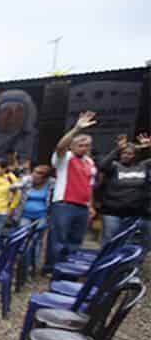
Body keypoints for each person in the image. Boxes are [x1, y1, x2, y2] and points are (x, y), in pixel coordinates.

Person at [45, 111, 98, 271]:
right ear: (73, 146)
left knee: (75, 241)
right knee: (58, 239)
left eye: (87, 145)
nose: (84, 148)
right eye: (80, 145)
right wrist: (76, 129)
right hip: (64, 204)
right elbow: (60, 146)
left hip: (82, 206)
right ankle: (53, 269)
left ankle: (69, 270)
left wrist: (91, 205)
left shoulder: (89, 162)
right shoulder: (65, 157)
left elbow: (90, 185)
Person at [97, 132, 151, 248]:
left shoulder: (143, 166)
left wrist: (148, 147)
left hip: (133, 213)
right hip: (112, 212)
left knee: (126, 242)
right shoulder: (115, 166)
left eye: (129, 154)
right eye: (124, 153)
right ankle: (106, 265)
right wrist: (117, 149)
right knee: (109, 240)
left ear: (135, 156)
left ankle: (122, 265)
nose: (126, 155)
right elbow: (102, 166)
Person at [10, 164, 55, 269]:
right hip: (25, 214)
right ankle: (21, 263)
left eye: (39, 174)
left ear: (45, 177)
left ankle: (33, 264)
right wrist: (21, 185)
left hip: (41, 215)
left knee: (37, 240)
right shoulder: (27, 180)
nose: (35, 175)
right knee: (23, 238)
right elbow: (12, 187)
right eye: (34, 172)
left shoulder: (51, 183)